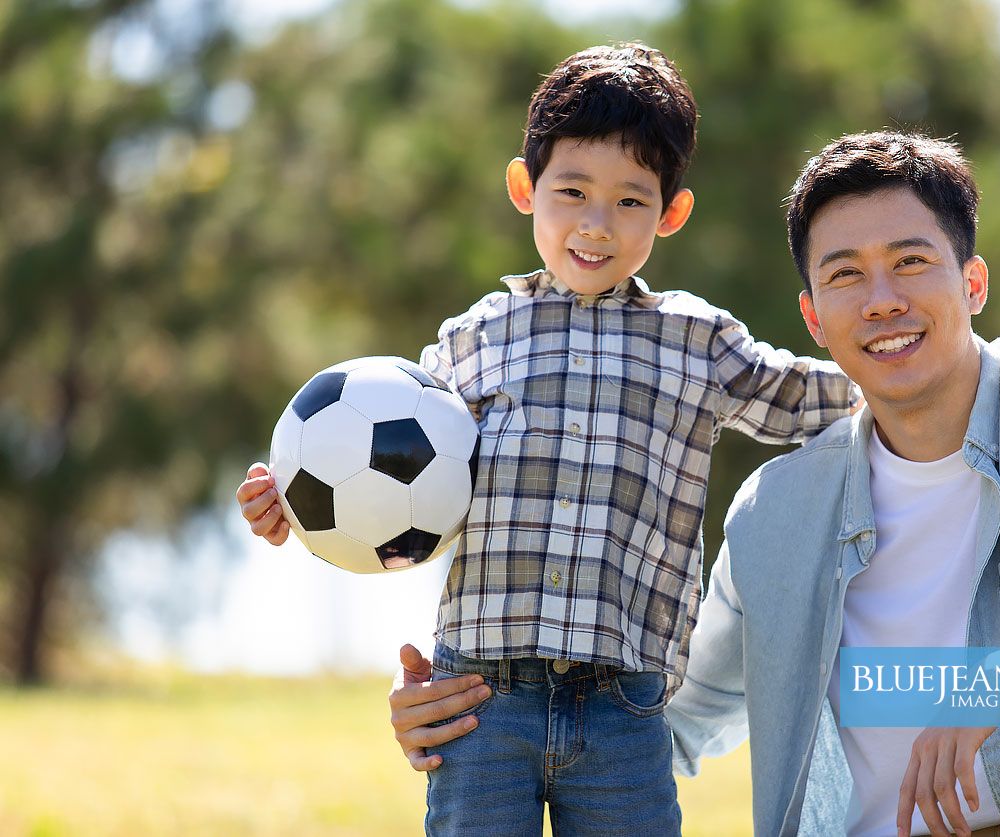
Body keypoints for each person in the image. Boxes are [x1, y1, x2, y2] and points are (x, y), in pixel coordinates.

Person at [389, 131, 1000, 836]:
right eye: (844, 274)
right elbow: (660, 721)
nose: (880, 298)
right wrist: (475, 710)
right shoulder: (774, 515)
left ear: (974, 281)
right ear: (812, 316)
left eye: (911, 261)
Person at [237, 44, 859, 836]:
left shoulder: (698, 341)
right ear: (524, 189)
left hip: (624, 706)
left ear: (671, 212)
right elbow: (377, 475)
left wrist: (934, 373)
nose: (596, 224)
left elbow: (809, 400)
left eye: (630, 201)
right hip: (479, 703)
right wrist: (286, 501)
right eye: (571, 192)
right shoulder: (469, 342)